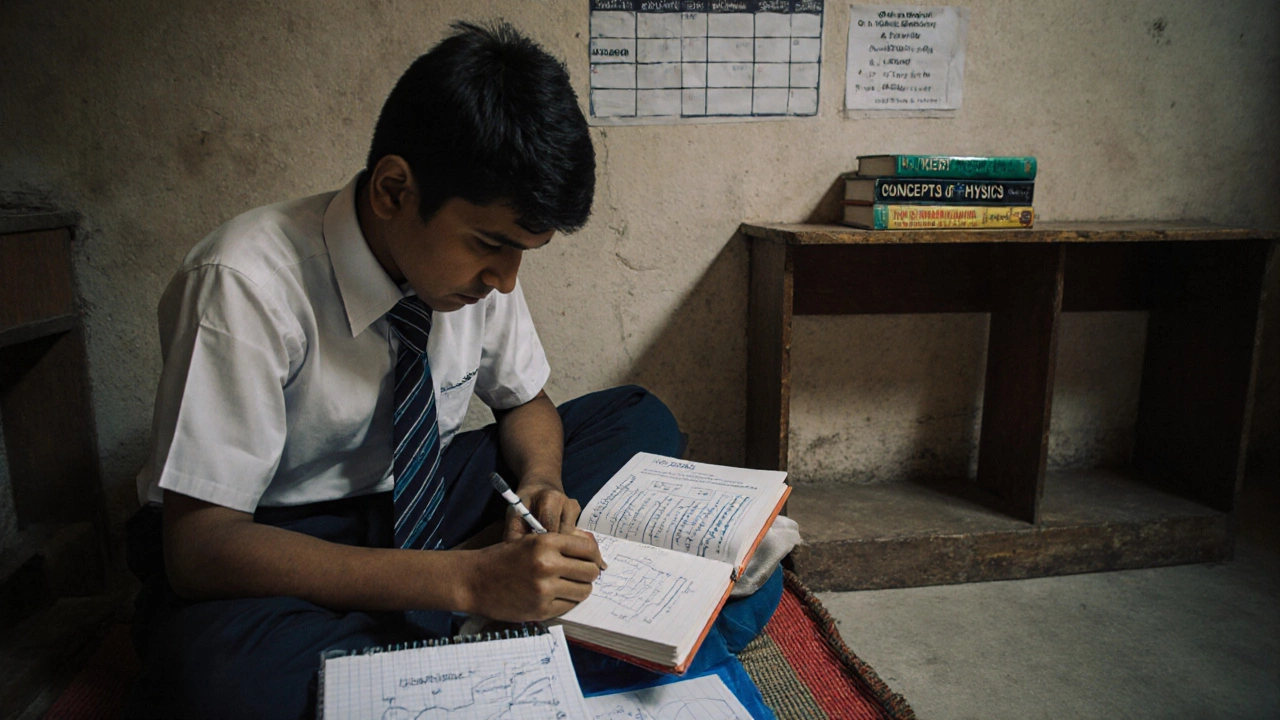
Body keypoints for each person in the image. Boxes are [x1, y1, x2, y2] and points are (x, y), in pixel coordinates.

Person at [124, 21, 782, 720]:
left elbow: (525, 403)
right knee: (216, 681)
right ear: (393, 190)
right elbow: (200, 548)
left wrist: (542, 483)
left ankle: (420, 650)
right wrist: (465, 581)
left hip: (425, 502)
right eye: (491, 244)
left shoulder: (477, 272)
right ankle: (479, 631)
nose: (505, 279)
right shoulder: (242, 282)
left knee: (637, 418)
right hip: (281, 537)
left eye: (524, 251)